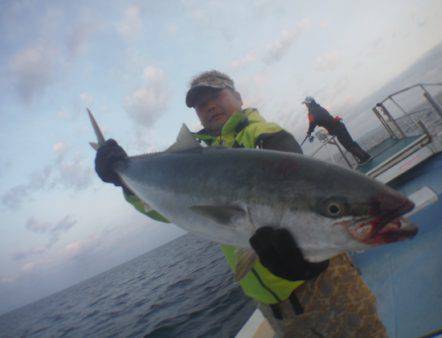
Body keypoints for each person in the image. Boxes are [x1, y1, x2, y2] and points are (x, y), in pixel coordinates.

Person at [95, 71, 387, 337]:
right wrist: (124, 180)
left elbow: (290, 166)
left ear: (238, 96)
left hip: (326, 285)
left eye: (216, 94)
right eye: (200, 104)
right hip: (274, 308)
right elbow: (167, 210)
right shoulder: (197, 162)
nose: (208, 105)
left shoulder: (261, 135)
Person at [303, 96, 372, 164]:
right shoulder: (320, 108)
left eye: (306, 103)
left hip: (337, 129)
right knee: (351, 143)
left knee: (349, 146)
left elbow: (312, 124)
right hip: (339, 126)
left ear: (309, 103)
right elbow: (323, 119)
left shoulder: (311, 114)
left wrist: (309, 133)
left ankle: (364, 159)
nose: (305, 105)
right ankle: (366, 156)